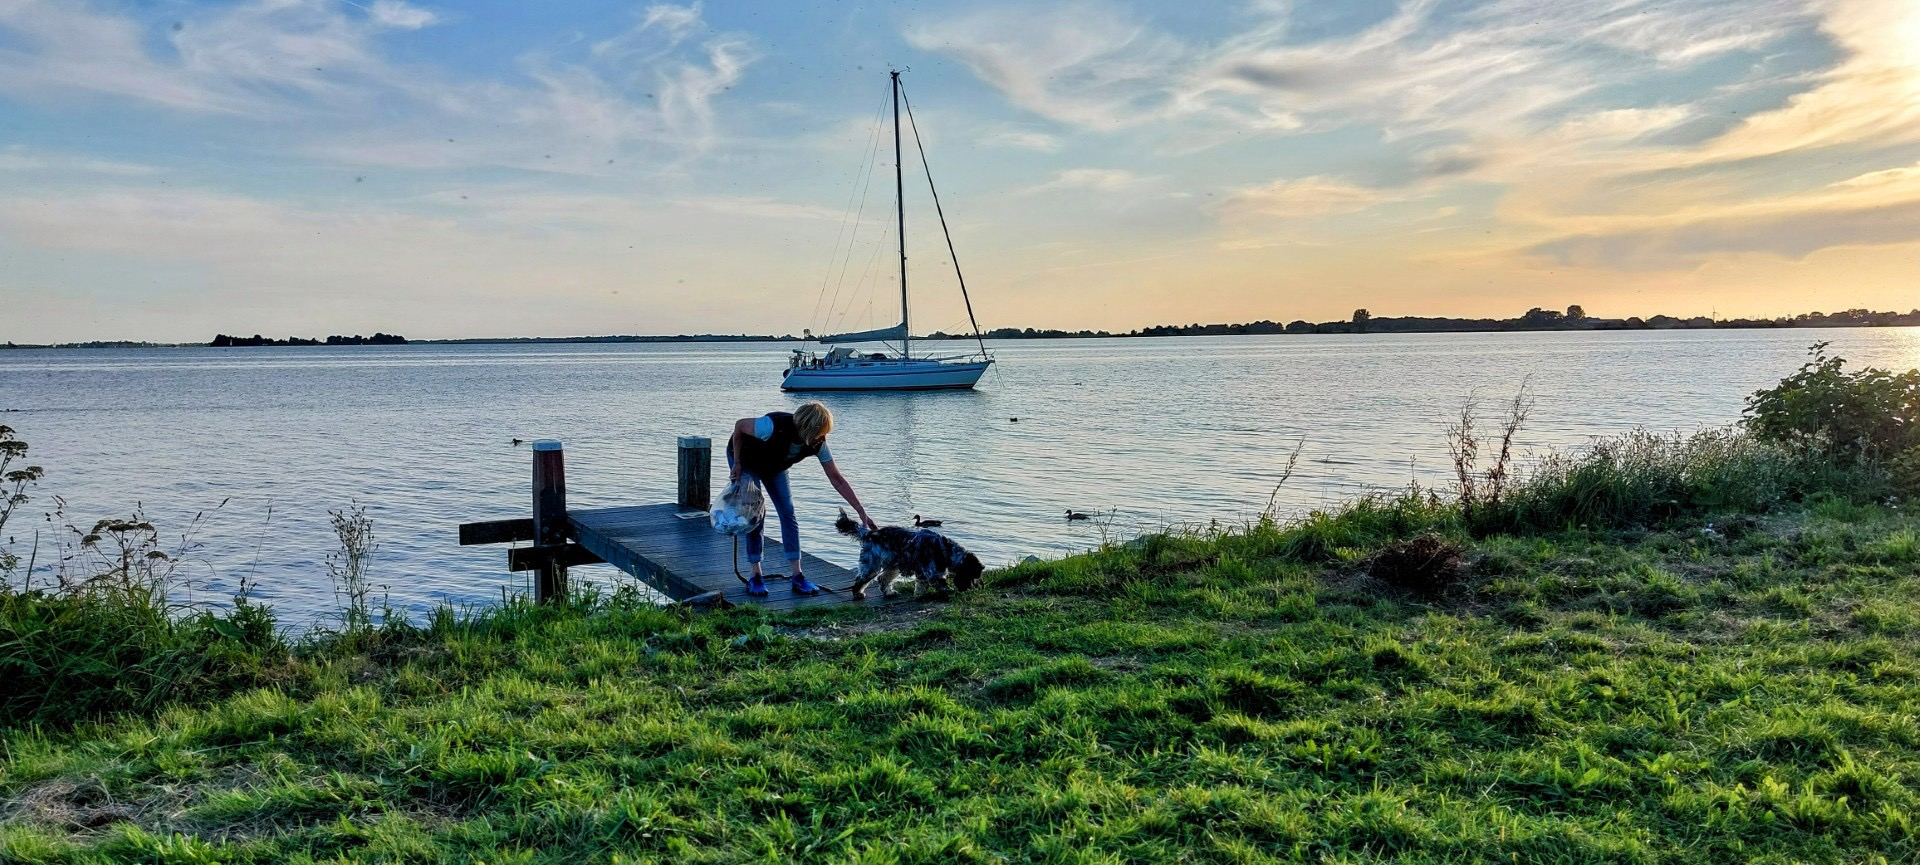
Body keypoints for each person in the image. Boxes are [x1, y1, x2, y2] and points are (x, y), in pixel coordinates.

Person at [727, 401, 877, 596]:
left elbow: (837, 479)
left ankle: (797, 575)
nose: (824, 437)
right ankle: (755, 575)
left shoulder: (818, 444)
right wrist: (737, 463)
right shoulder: (771, 426)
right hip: (746, 459)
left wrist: (861, 511)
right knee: (756, 514)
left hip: (775, 466)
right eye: (820, 432)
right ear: (808, 429)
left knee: (788, 513)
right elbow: (739, 426)